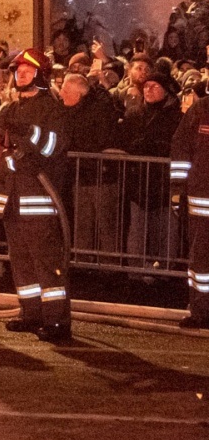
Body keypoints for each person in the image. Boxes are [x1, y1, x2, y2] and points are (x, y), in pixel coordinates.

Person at [0, 49, 74, 342]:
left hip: (38, 198)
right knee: (21, 260)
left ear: (41, 74)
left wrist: (27, 135)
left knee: (46, 262)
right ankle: (31, 313)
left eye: (27, 70)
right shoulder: (10, 109)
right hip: (11, 199)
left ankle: (57, 321)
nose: (21, 74)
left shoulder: (51, 108)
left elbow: (52, 146)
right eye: (18, 70)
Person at [119, 67, 183, 268]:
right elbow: (124, 141)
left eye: (155, 86)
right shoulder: (134, 114)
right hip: (139, 183)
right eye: (146, 86)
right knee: (138, 231)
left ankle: (165, 270)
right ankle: (137, 272)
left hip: (165, 183)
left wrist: (156, 146)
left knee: (165, 231)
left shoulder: (177, 117)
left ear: (166, 91)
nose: (149, 90)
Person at [59, 72, 122, 258]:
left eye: (64, 90)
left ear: (77, 95)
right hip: (80, 176)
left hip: (101, 177)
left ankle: (110, 268)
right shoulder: (66, 112)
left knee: (107, 226)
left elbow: (99, 141)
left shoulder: (98, 111)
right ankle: (82, 263)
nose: (60, 94)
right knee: (82, 224)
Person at [171, 97, 209, 328]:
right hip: (201, 199)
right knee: (201, 259)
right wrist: (177, 190)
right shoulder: (202, 108)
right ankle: (201, 311)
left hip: (200, 195)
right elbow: (181, 147)